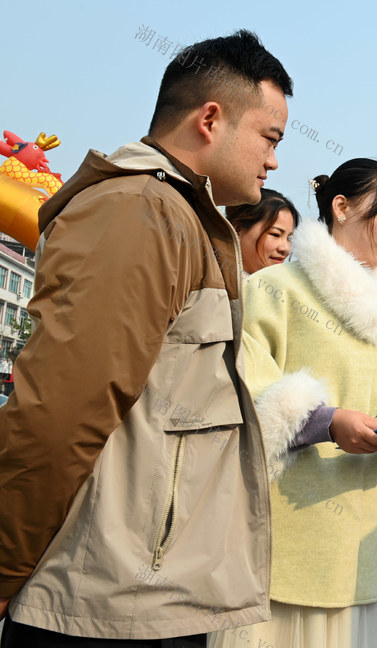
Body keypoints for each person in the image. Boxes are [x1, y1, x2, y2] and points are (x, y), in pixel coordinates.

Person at [0, 30, 292, 646]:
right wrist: (3, 566)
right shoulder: (139, 211)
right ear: (210, 120)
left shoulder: (181, 216)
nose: (273, 162)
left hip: (143, 593)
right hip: (97, 602)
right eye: (270, 138)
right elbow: (62, 410)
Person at [209, 159, 377, 648]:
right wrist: (326, 422)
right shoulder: (272, 288)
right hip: (277, 534)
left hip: (357, 541)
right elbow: (240, 390)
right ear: (341, 207)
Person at [226, 187, 299, 275]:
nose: (285, 249)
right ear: (237, 229)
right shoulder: (213, 277)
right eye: (275, 234)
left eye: (289, 238)